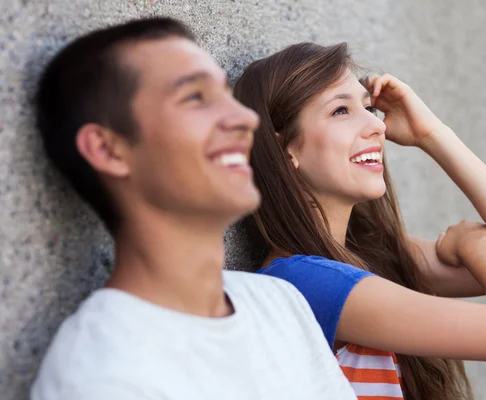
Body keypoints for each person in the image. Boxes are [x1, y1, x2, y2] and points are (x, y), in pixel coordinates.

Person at [233, 41, 486, 399]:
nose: (377, 127)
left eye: (367, 107)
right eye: (340, 111)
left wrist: (432, 134)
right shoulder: (303, 281)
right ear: (285, 150)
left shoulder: (370, 258)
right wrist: (477, 247)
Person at [30, 19, 358, 400]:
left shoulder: (278, 302)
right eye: (194, 99)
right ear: (108, 150)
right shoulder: (101, 375)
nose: (246, 119)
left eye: (226, 95)